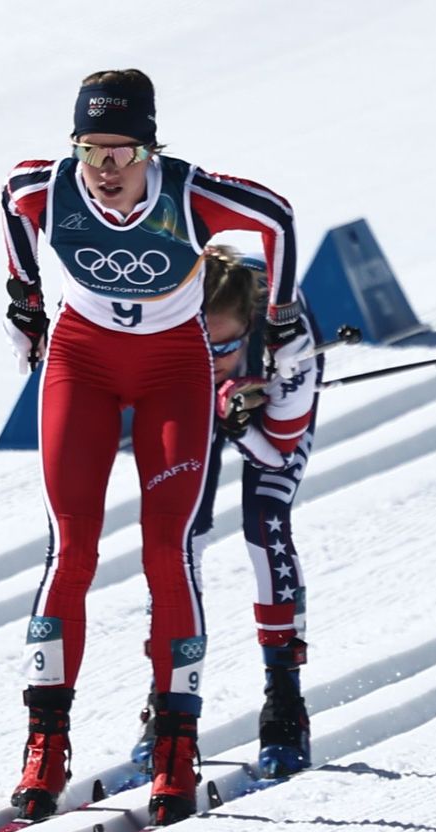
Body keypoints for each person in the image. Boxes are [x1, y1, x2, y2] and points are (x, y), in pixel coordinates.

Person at [1, 69, 307, 826]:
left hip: (174, 365)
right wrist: (24, 301)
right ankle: (45, 742)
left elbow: (277, 216)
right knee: (71, 550)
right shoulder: (48, 187)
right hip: (84, 361)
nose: (104, 170)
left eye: (122, 151)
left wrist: (281, 316)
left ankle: (176, 745)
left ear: (150, 147)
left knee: (167, 551)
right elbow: (12, 201)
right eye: (91, 149)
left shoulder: (190, 193)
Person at [130, 246, 318, 776]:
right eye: (200, 346)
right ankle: (167, 704)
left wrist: (238, 423)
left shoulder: (289, 339)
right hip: (185, 394)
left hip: (268, 400)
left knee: (264, 520)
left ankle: (285, 704)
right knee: (178, 538)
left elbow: (279, 451)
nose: (211, 361)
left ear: (249, 327)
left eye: (225, 348)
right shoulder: (165, 326)